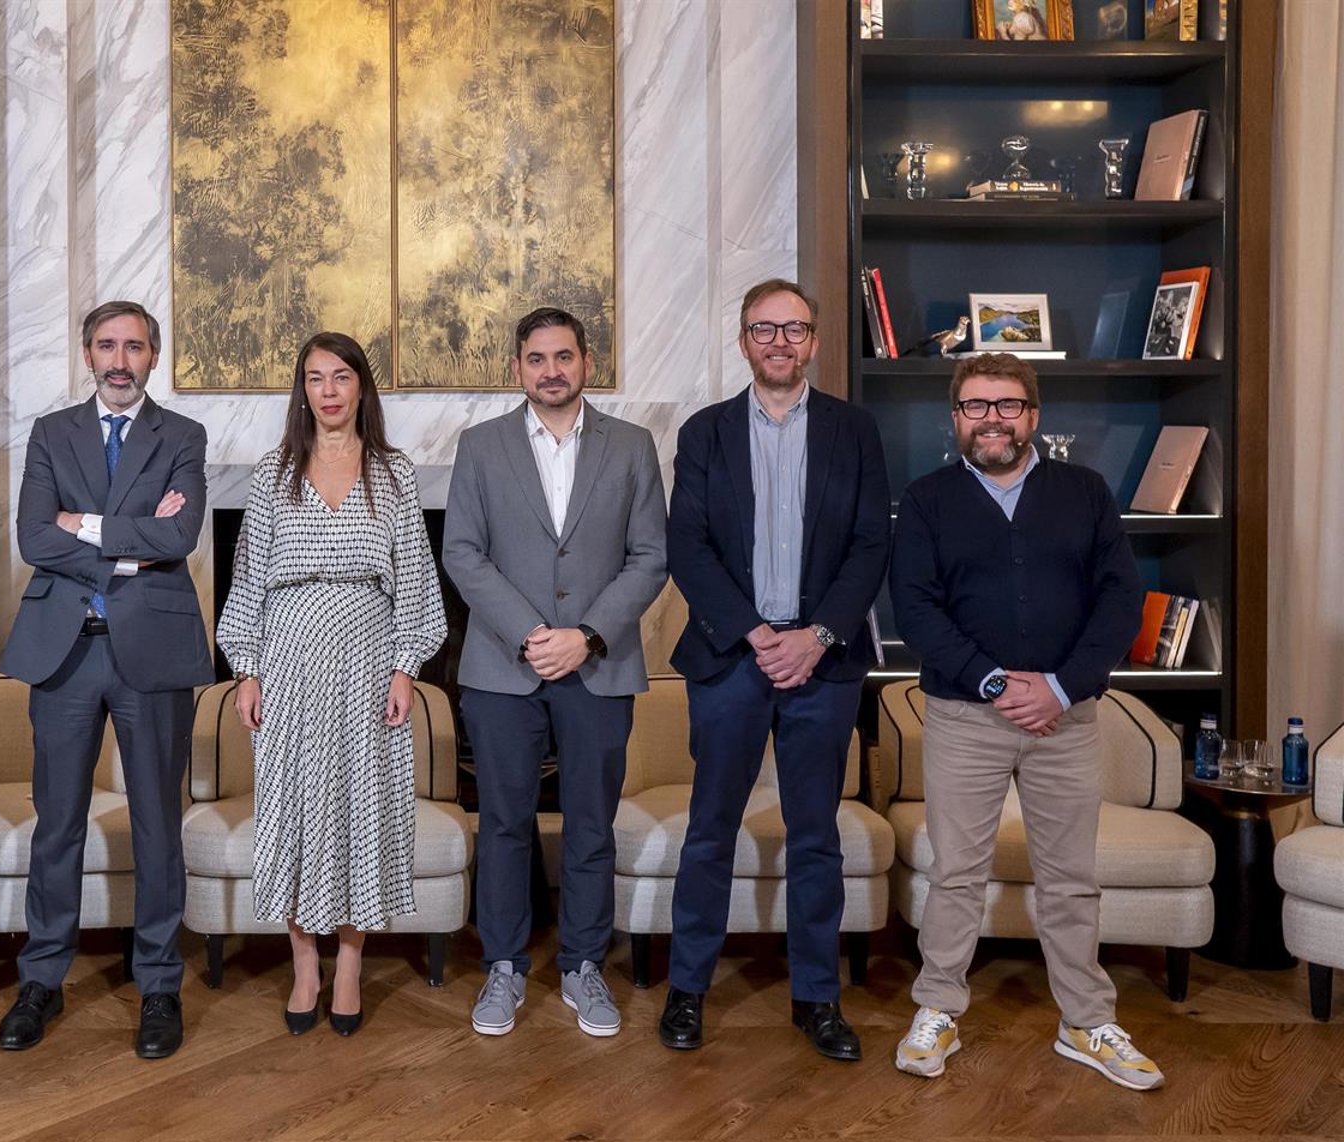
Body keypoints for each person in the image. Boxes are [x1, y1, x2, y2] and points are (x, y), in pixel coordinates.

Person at [890, 351, 1162, 1091]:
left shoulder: (1085, 492)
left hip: (1065, 719)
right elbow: (915, 608)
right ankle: (937, 1009)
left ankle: (1086, 1021)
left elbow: (1120, 601)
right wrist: (992, 681)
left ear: (1033, 415)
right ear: (956, 419)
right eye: (976, 406)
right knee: (956, 872)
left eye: (1008, 405)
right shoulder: (926, 500)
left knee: (1071, 876)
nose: (993, 420)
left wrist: (1061, 688)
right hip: (963, 715)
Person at [662, 279, 890, 1058]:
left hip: (823, 664)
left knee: (815, 833)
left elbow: (871, 545)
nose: (780, 342)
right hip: (733, 657)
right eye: (765, 329)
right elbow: (687, 546)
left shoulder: (854, 431)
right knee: (709, 830)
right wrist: (758, 634)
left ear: (814, 341)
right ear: (744, 341)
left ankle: (817, 999)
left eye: (794, 329)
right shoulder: (706, 433)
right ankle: (687, 991)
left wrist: (817, 636)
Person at [441, 307, 667, 1039]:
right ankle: (504, 966)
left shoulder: (631, 446)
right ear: (517, 369)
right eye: (536, 359)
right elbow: (462, 551)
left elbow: (650, 557)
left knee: (591, 825)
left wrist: (587, 636)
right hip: (503, 668)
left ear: (586, 363)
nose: (551, 371)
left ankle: (583, 966)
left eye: (563, 357)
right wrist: (534, 634)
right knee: (504, 823)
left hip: (599, 667)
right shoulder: (481, 446)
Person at [216, 331, 446, 1037]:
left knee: (360, 807)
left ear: (360, 387)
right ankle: (304, 965)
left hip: (368, 661)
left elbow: (417, 579)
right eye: (315, 378)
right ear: (303, 391)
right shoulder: (273, 472)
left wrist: (405, 666)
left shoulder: (394, 473)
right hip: (287, 660)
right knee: (292, 806)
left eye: (341, 376)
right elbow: (247, 578)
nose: (329, 391)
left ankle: (348, 963)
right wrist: (246, 670)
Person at [0, 301, 210, 1059]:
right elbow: (32, 536)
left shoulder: (183, 435)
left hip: (152, 649)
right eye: (107, 345)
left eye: (135, 347)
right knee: (57, 822)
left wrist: (80, 523)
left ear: (154, 355)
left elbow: (179, 535)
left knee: (156, 820)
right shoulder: (51, 432)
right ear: (87, 353)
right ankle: (42, 979)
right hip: (65, 650)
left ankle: (158, 984)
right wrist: (128, 549)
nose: (120, 360)